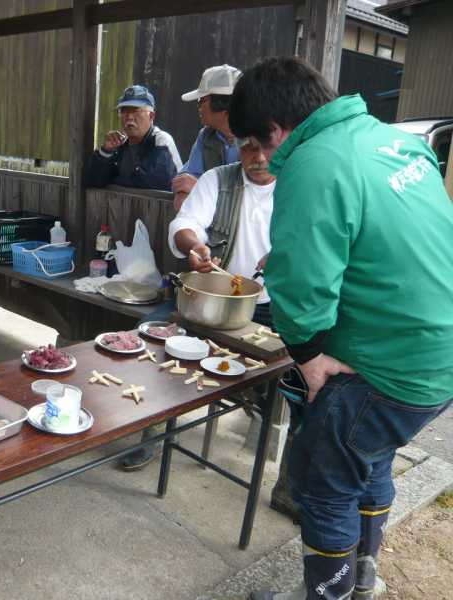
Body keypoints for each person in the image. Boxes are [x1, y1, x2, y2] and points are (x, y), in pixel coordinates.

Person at [228, 57, 453, 600]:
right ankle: (362, 576)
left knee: (323, 482)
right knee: (366, 453)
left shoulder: (313, 163)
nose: (262, 159)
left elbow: (301, 282)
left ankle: (328, 593)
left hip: (390, 368)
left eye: (259, 145)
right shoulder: (389, 139)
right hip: (438, 352)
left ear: (278, 131)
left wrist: (307, 354)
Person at [120, 137, 275, 471]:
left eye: (268, 147)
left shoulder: (299, 186)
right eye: (249, 147)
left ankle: (291, 479)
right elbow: (184, 224)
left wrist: (287, 256)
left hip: (270, 305)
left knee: (294, 374)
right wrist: (193, 246)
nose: (258, 157)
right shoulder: (219, 179)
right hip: (207, 300)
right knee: (151, 338)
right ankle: (154, 430)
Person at [172, 64, 242, 211]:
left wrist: (198, 187)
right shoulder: (206, 136)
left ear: (221, 102)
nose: (198, 107)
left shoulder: (256, 139)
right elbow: (184, 180)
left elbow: (249, 193)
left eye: (201, 101)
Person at [85, 85, 182, 191]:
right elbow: (92, 180)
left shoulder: (161, 140)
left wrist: (111, 180)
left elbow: (153, 182)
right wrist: (106, 152)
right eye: (124, 111)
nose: (129, 117)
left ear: (151, 116)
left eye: (136, 110)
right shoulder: (120, 144)